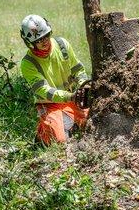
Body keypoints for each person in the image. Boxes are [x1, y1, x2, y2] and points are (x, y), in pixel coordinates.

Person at [20, 14, 89, 144]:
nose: (45, 41)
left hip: (71, 98)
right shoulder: (28, 64)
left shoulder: (62, 45)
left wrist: (83, 84)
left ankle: (70, 122)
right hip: (49, 104)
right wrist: (70, 96)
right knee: (60, 140)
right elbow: (44, 90)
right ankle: (42, 135)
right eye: (39, 40)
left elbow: (77, 69)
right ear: (30, 43)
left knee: (91, 119)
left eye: (46, 35)